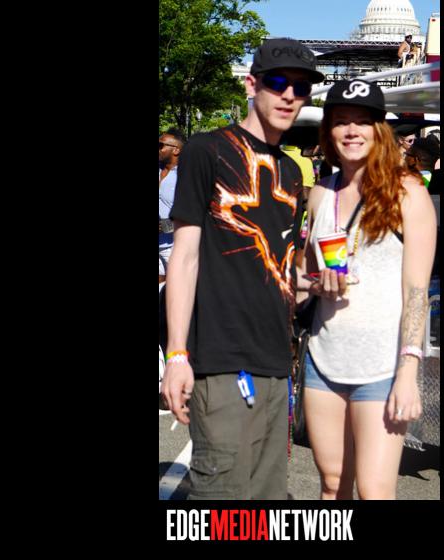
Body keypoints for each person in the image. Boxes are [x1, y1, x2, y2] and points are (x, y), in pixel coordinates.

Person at [160, 37, 325, 500]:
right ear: (252, 84)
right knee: (223, 503)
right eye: (278, 82)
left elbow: (278, 268)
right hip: (221, 357)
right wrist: (176, 356)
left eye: (301, 87)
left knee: (265, 504)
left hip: (275, 361)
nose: (289, 95)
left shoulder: (291, 172)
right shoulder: (207, 150)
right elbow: (185, 256)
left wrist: (316, 283)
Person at [296, 79, 437, 499]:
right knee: (332, 483)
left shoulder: (408, 192)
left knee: (374, 491)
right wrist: (314, 284)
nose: (352, 131)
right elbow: (303, 277)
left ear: (380, 131)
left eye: (362, 121)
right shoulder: (321, 193)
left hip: (383, 367)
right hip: (323, 361)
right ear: (329, 131)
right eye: (341, 121)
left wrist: (408, 374)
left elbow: (416, 292)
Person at [159, 128, 186, 283]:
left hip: (174, 247)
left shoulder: (185, 175)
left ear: (176, 150)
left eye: (161, 145)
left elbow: (195, 211)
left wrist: (165, 226)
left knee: (175, 289)